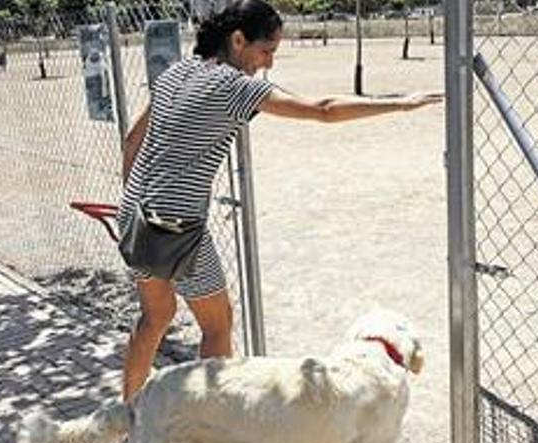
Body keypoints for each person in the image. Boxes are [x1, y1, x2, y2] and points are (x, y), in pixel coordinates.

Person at [118, 0, 442, 402]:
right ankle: (211, 427)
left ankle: (127, 419)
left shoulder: (176, 72)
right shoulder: (236, 87)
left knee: (155, 317)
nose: (266, 63)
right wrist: (400, 103)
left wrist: (135, 199)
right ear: (238, 40)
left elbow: (133, 140)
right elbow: (322, 111)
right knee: (218, 326)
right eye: (265, 51)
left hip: (134, 213)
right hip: (176, 227)